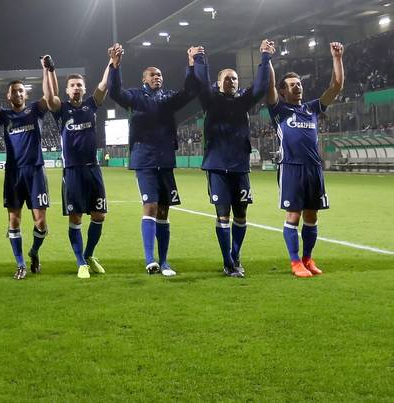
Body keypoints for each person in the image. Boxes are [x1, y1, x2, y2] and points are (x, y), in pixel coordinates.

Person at [107, 44, 199, 276]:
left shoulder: (168, 98)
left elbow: (189, 92)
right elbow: (115, 92)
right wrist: (115, 66)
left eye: (159, 75)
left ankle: (164, 261)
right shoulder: (136, 97)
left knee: (164, 211)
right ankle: (150, 260)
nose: (157, 77)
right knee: (150, 206)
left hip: (165, 160)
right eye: (153, 74)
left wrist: (191, 64)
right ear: (144, 79)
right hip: (144, 160)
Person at [188, 40, 275, 278]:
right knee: (223, 215)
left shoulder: (243, 101)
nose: (232, 81)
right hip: (217, 167)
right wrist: (199, 59)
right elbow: (201, 85)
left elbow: (261, 86)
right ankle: (227, 262)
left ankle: (235, 256)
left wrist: (265, 56)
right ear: (218, 83)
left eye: (235, 78)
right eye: (227, 78)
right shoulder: (210, 100)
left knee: (241, 215)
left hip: (240, 167)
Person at [268, 42, 344, 277]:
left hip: (314, 168)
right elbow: (268, 86)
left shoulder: (312, 109)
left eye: (299, 83)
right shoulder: (279, 110)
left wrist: (337, 58)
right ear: (283, 91)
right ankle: (295, 262)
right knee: (294, 215)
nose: (298, 86)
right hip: (291, 168)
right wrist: (266, 58)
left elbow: (336, 86)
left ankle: (307, 259)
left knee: (312, 215)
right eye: (292, 84)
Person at [43, 56, 112, 278]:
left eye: (79, 85)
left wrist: (111, 62)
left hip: (93, 168)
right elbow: (49, 96)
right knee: (76, 218)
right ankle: (80, 262)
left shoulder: (91, 104)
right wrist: (49, 70)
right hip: (72, 170)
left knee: (99, 215)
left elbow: (103, 85)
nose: (76, 88)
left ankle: (89, 255)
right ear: (67, 90)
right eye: (72, 85)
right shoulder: (61, 109)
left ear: (84, 89)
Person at [0, 62, 53, 280]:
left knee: (40, 222)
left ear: (26, 93)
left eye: (21, 90)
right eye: (14, 91)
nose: (18, 94)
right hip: (14, 174)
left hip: (35, 172)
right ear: (8, 96)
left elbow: (50, 96)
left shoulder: (35, 110)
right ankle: (20, 264)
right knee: (14, 220)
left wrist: (46, 70)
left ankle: (33, 252)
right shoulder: (4, 115)